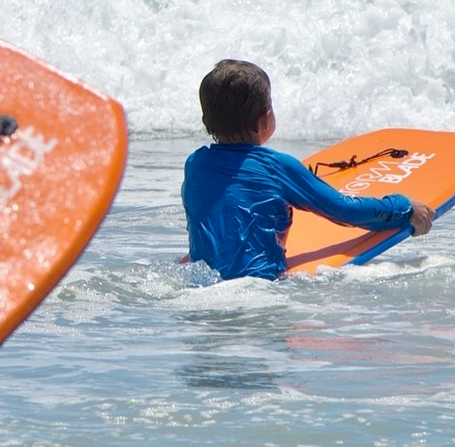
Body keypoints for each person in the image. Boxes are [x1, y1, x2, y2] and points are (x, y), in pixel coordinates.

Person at [182, 59, 435, 281]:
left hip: (205, 285)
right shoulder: (278, 167)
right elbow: (346, 211)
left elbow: (218, 213)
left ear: (206, 122)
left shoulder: (194, 166)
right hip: (263, 286)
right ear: (265, 118)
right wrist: (404, 209)